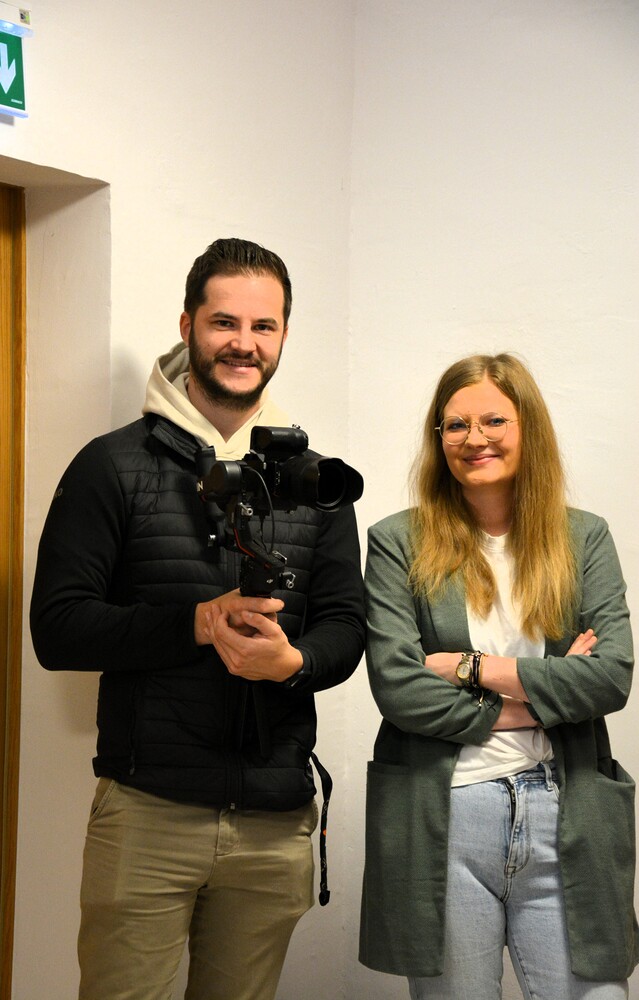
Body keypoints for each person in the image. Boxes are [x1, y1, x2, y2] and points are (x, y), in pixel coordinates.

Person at [30, 237, 365, 1000]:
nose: (244, 343)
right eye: (224, 322)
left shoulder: (316, 483)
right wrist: (195, 623)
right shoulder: (111, 465)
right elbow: (58, 628)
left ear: (283, 334)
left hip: (274, 818)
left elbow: (347, 628)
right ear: (187, 326)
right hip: (148, 812)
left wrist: (294, 664)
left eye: (263, 325)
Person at [359, 353, 637, 999]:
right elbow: (400, 690)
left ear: (526, 427)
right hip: (447, 810)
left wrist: (472, 667)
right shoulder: (398, 541)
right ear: (438, 438)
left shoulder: (583, 539)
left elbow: (610, 677)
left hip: (564, 806)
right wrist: (544, 692)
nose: (473, 438)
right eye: (455, 425)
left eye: (493, 420)